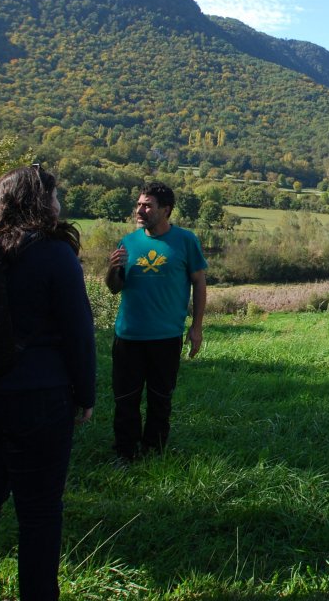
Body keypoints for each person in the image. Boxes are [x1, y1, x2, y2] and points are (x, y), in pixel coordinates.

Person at [0, 164, 96, 601]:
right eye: (55, 195)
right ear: (40, 200)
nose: (60, 203)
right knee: (40, 511)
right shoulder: (51, 252)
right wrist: (85, 395)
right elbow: (78, 331)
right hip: (37, 397)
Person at [105, 181, 207, 464]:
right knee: (125, 400)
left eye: (147, 205)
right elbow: (114, 287)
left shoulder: (186, 241)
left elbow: (199, 283)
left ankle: (154, 451)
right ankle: (125, 453)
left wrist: (196, 328)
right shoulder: (128, 242)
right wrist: (112, 269)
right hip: (129, 335)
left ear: (166, 210)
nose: (140, 210)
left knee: (160, 399)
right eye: (139, 204)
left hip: (166, 336)